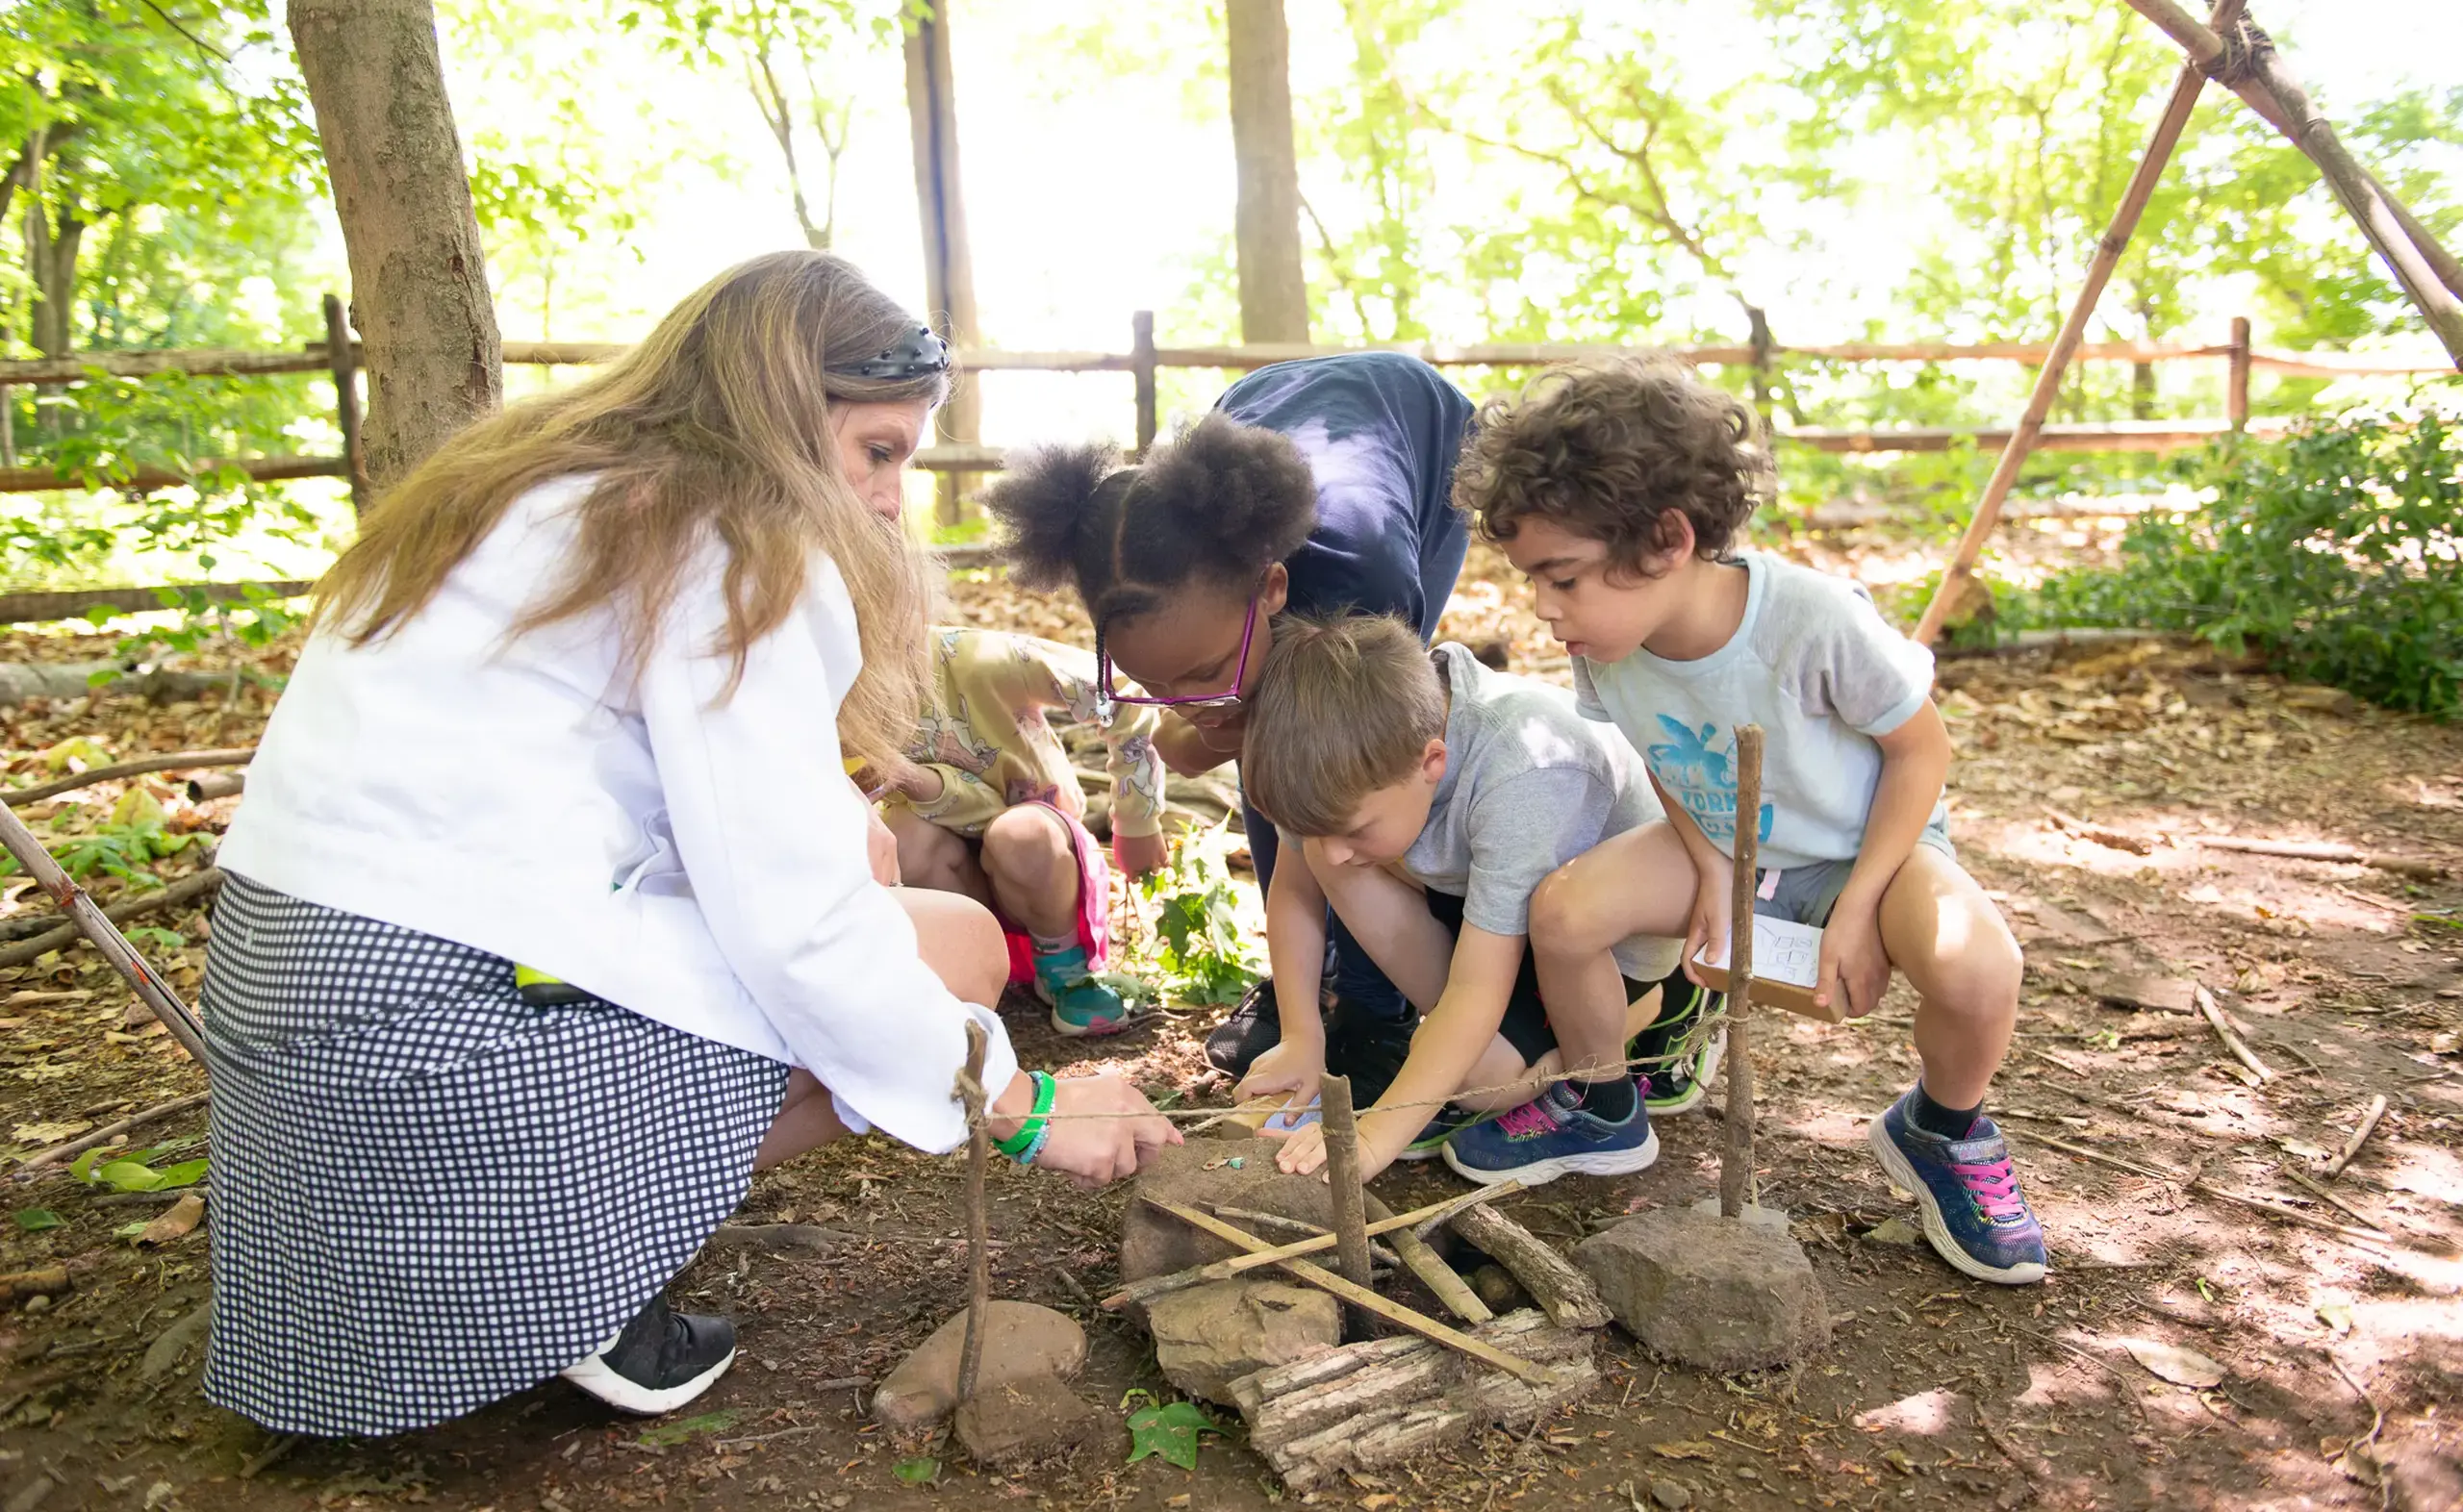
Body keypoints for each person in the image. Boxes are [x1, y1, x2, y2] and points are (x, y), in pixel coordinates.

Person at [196, 251, 1180, 1439]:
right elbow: (795, 925)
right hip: (432, 1016)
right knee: (957, 959)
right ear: (777, 407)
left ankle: (551, 1265)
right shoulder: (732, 537)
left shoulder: (531, 491)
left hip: (284, 984)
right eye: (878, 451)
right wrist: (1021, 1101)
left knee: (913, 930)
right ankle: (569, 1278)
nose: (886, 500)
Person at [1458, 356, 2044, 1285]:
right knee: (1564, 912)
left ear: (1667, 537)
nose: (1543, 606)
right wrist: (1715, 878)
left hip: (1872, 850)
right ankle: (1603, 1100)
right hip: (1727, 845)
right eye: (1534, 578)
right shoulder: (1609, 647)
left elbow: (1920, 752)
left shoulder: (1809, 620)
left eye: (1562, 576)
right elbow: (1665, 758)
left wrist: (1856, 907)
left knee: (1981, 969)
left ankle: (1943, 1125)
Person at [983, 353, 1474, 1104]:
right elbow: (1191, 741)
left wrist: (1239, 721)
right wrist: (1220, 711)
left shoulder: (1364, 571)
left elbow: (1365, 756)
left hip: (1418, 430)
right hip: (1264, 405)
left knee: (1348, 766)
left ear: (1273, 587)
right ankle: (1298, 984)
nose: (1187, 699)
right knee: (1268, 737)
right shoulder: (1172, 576)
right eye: (1157, 683)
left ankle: (1377, 1006)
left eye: (1206, 669)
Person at [1231, 613, 1695, 1186]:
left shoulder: (1524, 769)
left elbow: (1477, 989)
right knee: (1331, 860)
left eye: (1354, 829)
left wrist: (1377, 1133)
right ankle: (1460, 1062)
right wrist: (1303, 1036)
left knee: (1483, 1080)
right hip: (1496, 910)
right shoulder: (1344, 762)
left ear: (1432, 762)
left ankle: (1653, 1013)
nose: (1337, 851)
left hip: (1604, 946)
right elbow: (1296, 888)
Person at [871, 624, 1168, 1035]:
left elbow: (1119, 692)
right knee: (902, 838)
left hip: (1042, 858)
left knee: (1018, 834)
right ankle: (966, 969)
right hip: (949, 863)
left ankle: (1066, 969)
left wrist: (1137, 822)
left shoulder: (975, 658)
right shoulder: (834, 699)